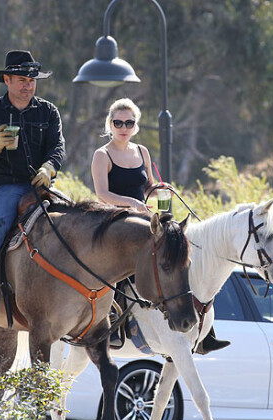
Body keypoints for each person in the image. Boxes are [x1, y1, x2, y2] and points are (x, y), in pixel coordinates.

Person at [91, 98, 229, 354]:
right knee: (118, 271)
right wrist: (133, 203)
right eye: (118, 122)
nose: (123, 127)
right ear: (110, 124)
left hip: (144, 219)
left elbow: (148, 187)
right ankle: (110, 324)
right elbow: (102, 194)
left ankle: (204, 331)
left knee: (179, 253)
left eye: (129, 122)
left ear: (136, 126)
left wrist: (160, 190)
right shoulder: (103, 154)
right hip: (114, 222)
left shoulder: (142, 151)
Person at [0, 50, 65, 324]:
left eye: (32, 80)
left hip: (42, 185)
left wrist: (50, 167)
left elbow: (58, 147)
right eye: (21, 79)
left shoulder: (48, 111)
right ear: (7, 80)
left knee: (76, 221)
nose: (28, 85)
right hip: (6, 186)